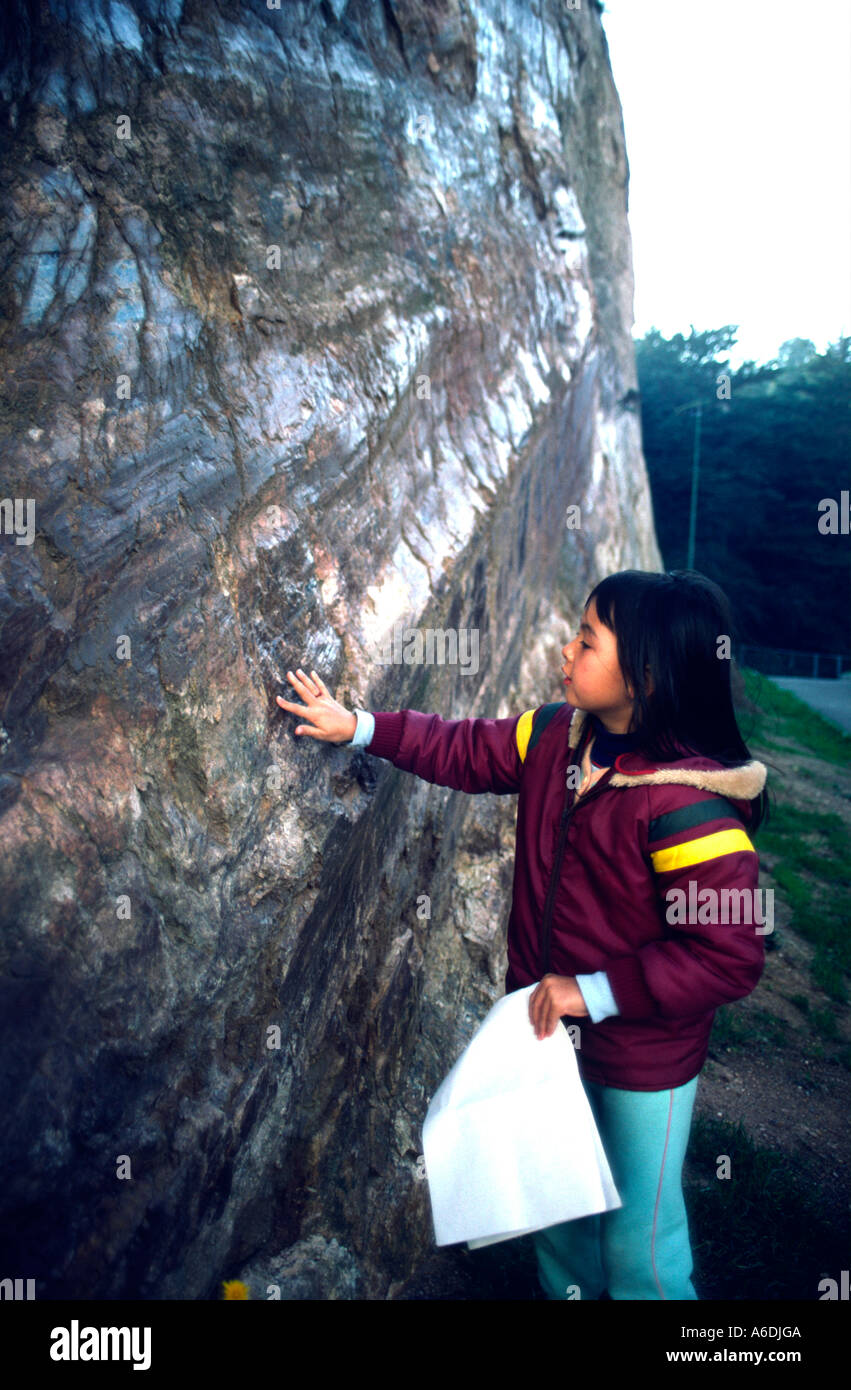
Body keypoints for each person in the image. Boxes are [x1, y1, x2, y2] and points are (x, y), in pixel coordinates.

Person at [275, 568, 770, 1300]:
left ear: (644, 677)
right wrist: (362, 728)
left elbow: (725, 958)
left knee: (640, 1244)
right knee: (557, 1208)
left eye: (587, 641)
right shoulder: (555, 738)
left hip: (645, 1063)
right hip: (549, 1041)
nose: (567, 651)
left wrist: (592, 992)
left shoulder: (689, 810)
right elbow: (463, 749)